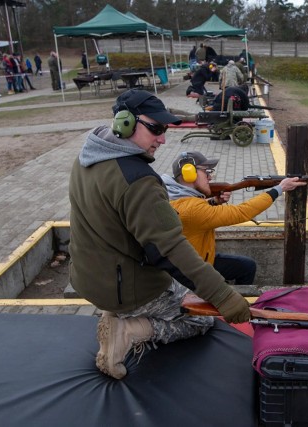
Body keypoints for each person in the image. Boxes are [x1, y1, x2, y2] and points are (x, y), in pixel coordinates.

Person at [68, 89, 250, 380]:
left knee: (186, 293)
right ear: (125, 123)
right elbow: (169, 250)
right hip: (124, 289)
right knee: (202, 318)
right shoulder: (139, 180)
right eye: (155, 128)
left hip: (87, 278)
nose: (162, 139)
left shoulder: (87, 157)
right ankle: (130, 329)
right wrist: (223, 295)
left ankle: (119, 315)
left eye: (164, 129)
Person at [161, 152, 306, 285]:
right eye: (206, 172)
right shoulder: (192, 209)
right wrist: (279, 189)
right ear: (189, 174)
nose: (210, 177)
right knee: (247, 267)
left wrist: (213, 202)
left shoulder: (172, 197)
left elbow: (194, 210)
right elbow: (241, 212)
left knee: (245, 266)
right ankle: (236, 305)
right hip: (191, 273)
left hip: (189, 262)